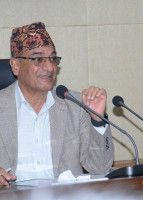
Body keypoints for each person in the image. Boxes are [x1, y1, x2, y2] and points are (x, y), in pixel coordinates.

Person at [0, 22, 114, 185]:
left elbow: (100, 168)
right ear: (16, 66)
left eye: (53, 59)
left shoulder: (76, 105)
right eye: (38, 59)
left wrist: (97, 120)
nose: (50, 67)